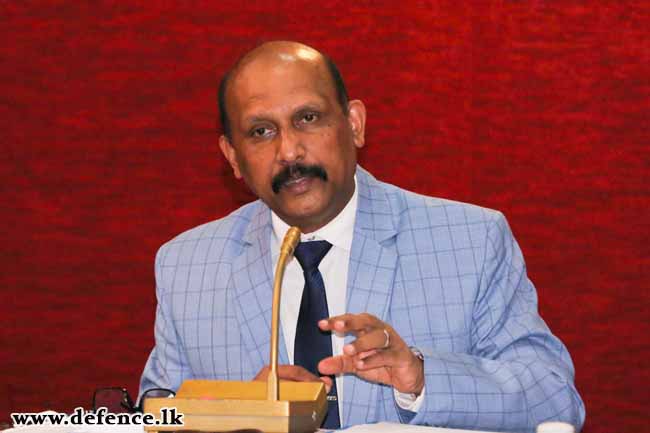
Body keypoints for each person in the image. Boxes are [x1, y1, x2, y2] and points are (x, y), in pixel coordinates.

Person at [139, 41, 585, 432]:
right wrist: (237, 414)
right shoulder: (187, 264)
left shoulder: (471, 240)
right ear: (232, 157)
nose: (289, 151)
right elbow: (153, 415)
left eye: (308, 118)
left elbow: (553, 397)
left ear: (354, 124)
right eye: (261, 132)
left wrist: (421, 378)